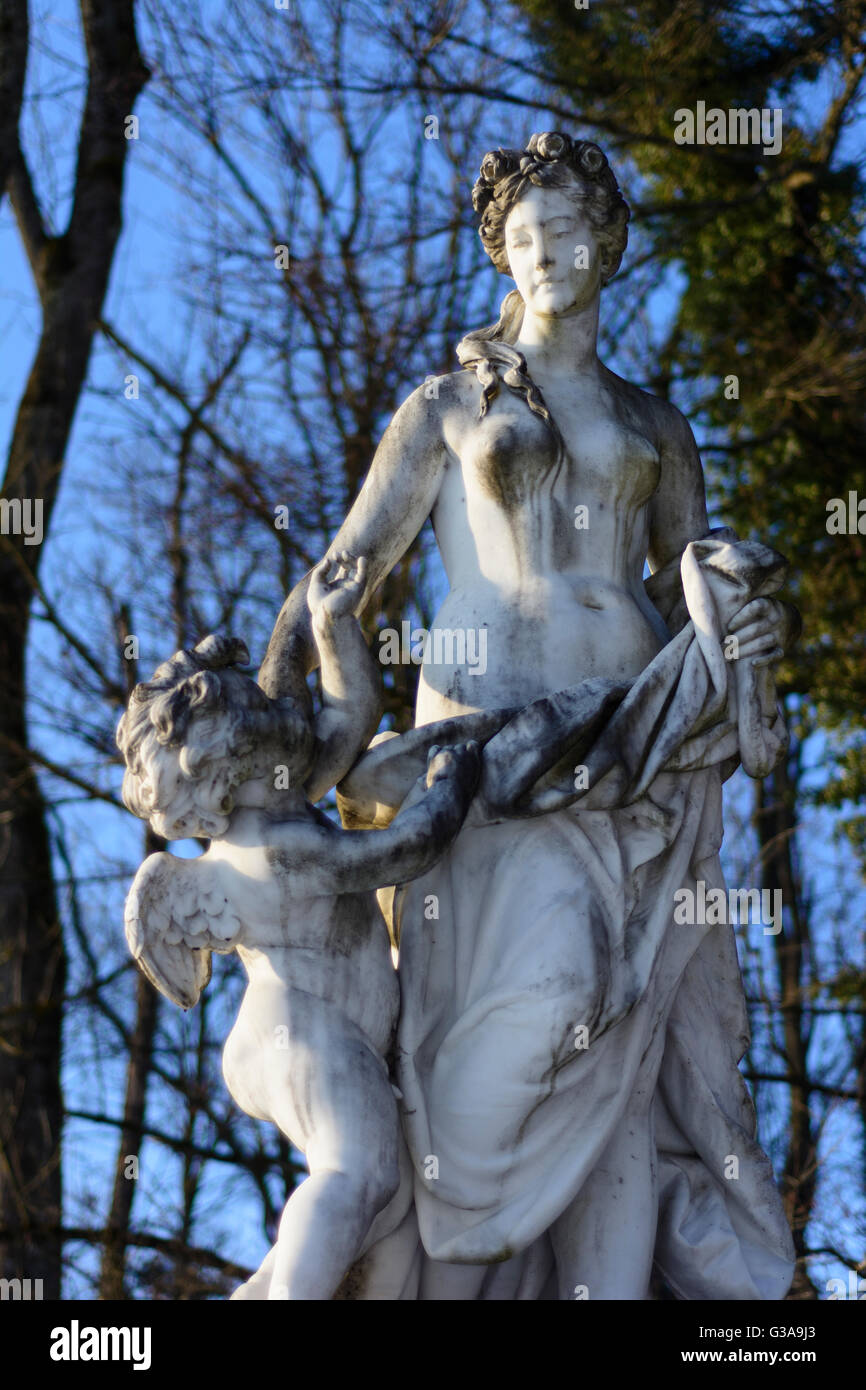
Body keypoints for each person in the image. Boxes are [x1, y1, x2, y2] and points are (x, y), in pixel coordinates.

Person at [259, 133, 797, 1300]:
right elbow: (344, 576)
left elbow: (685, 589)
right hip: (485, 744)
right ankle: (455, 1257)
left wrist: (743, 643)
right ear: (501, 258)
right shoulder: (447, 404)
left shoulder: (657, 425)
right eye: (520, 238)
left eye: (563, 230)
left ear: (604, 243)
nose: (544, 253)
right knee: (522, 1001)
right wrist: (310, 729)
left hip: (636, 738)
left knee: (622, 1026)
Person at [116, 556, 480, 1300]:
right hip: (295, 1024)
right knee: (359, 1173)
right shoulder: (280, 850)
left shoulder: (284, 810)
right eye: (250, 702)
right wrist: (451, 783)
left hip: (319, 1030)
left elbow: (351, 720)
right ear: (224, 752)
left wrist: (332, 623)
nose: (273, 704)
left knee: (391, 1205)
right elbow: (403, 850)